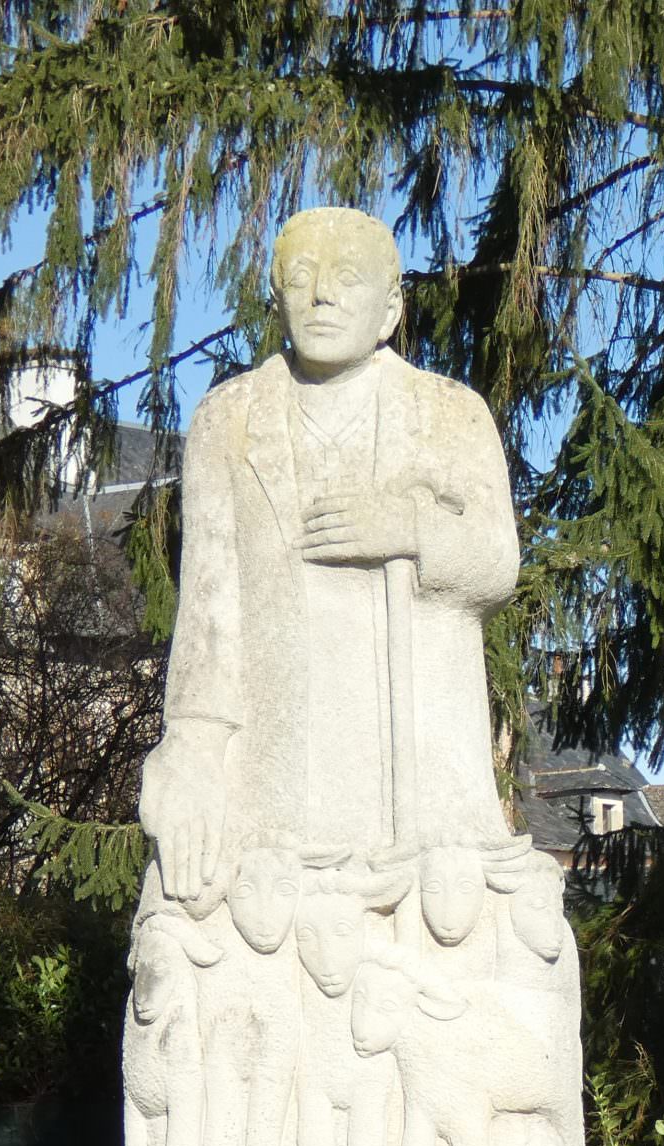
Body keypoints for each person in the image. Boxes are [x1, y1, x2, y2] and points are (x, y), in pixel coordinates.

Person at [138, 206, 520, 898]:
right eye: (301, 277)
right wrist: (190, 746)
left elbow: (497, 562)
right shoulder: (227, 421)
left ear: (390, 309)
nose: (322, 295)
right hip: (275, 786)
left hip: (417, 789)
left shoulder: (451, 414)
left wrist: (410, 529)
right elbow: (208, 613)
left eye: (347, 278)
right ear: (277, 298)